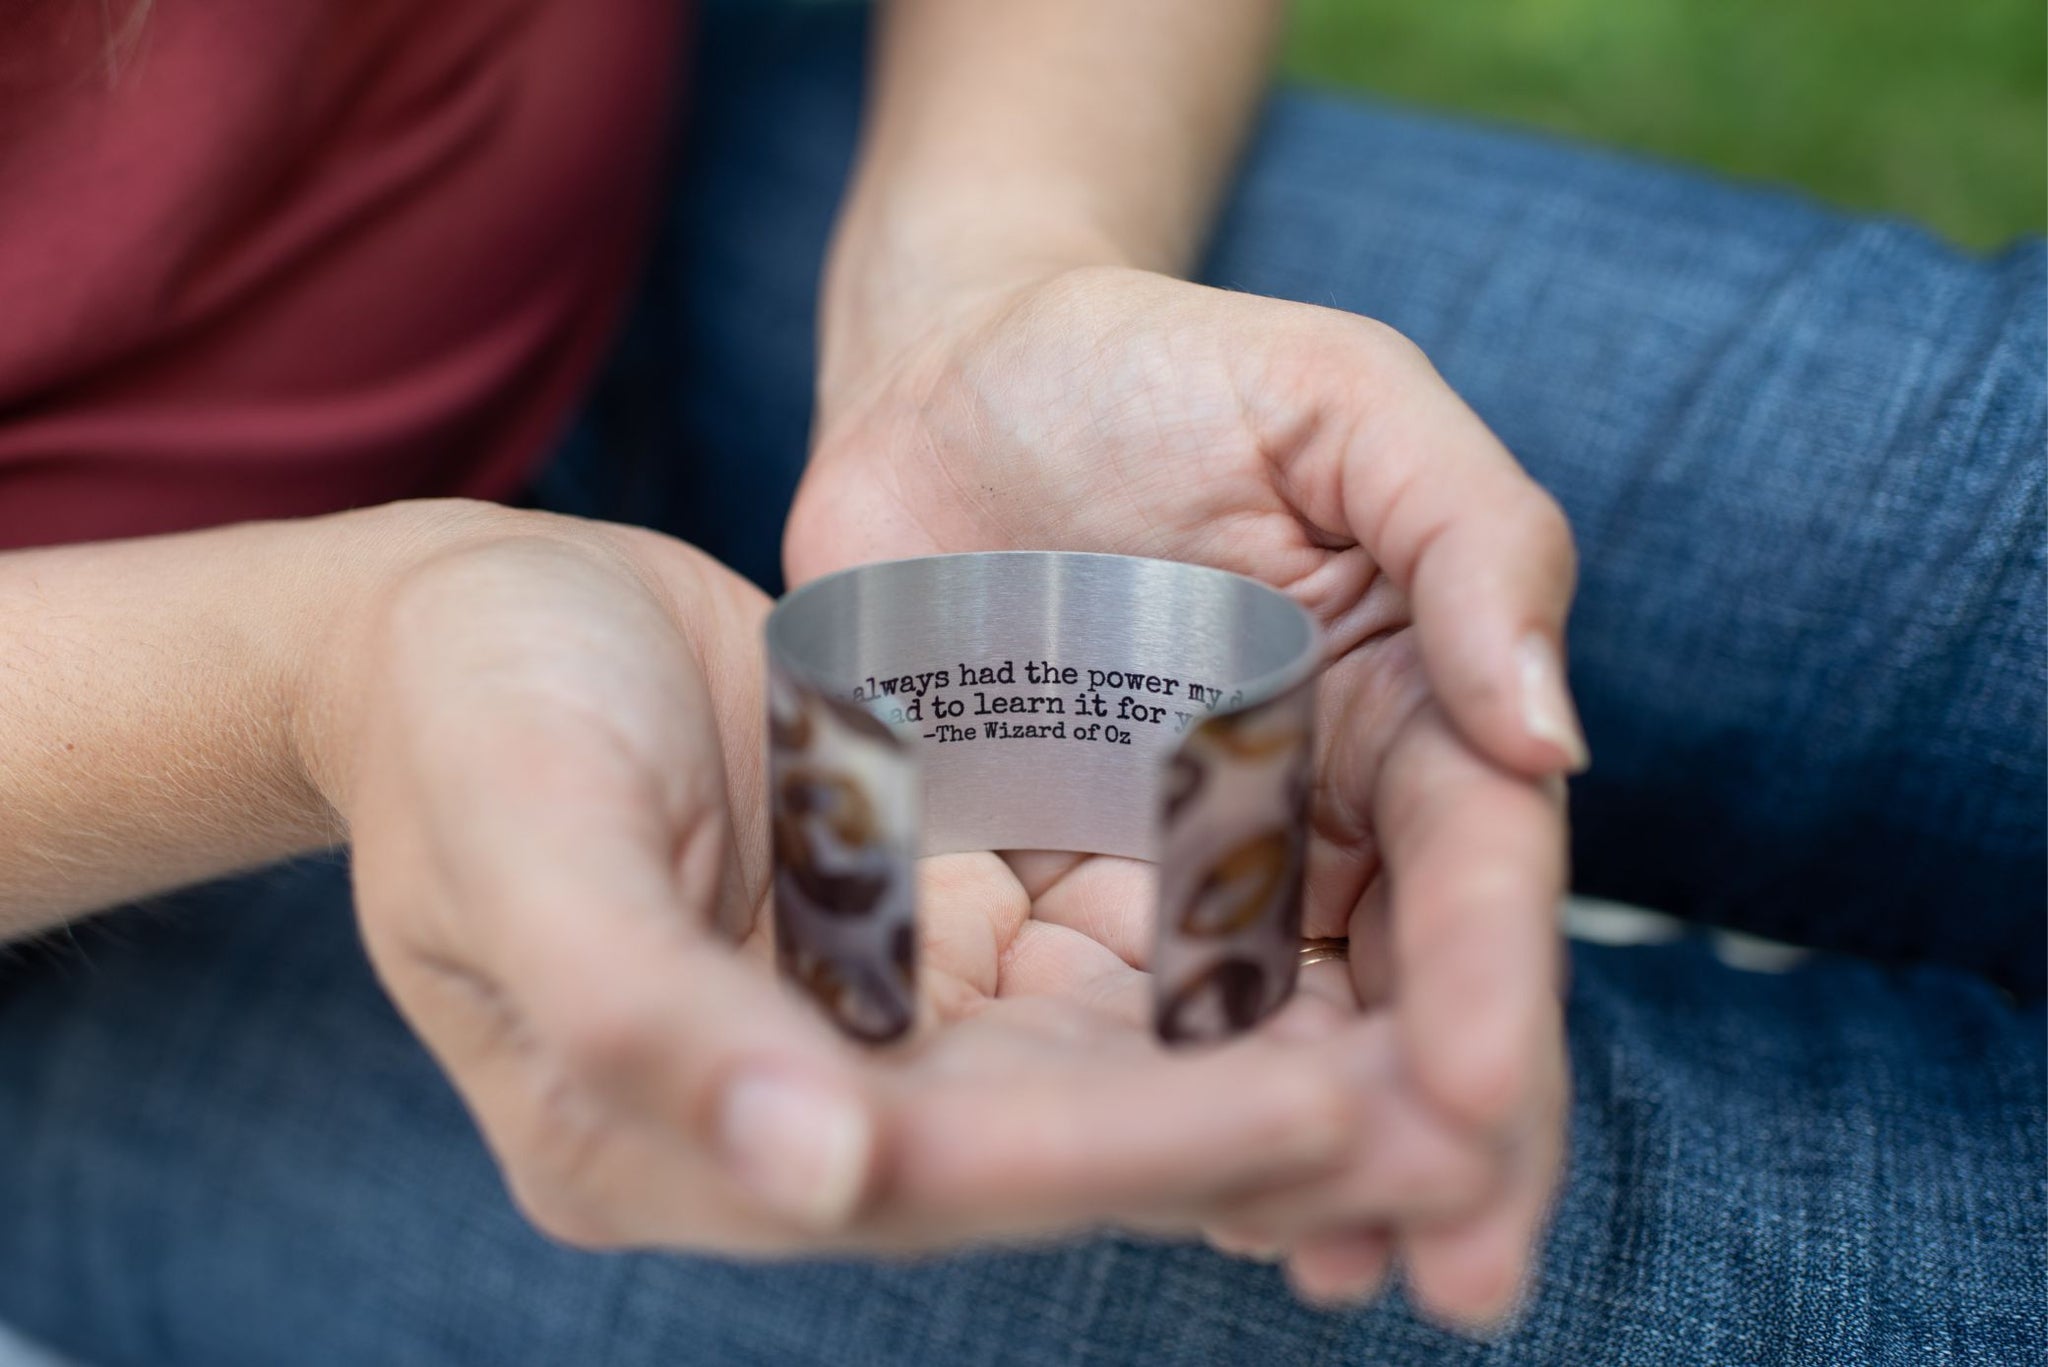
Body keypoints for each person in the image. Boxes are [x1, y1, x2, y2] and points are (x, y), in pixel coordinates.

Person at [0, 1, 2038, 1363]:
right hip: (97, 844)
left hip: (719, 170)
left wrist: (992, 270)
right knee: (1633, 1262)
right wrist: (343, 662)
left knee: (1966, 489)